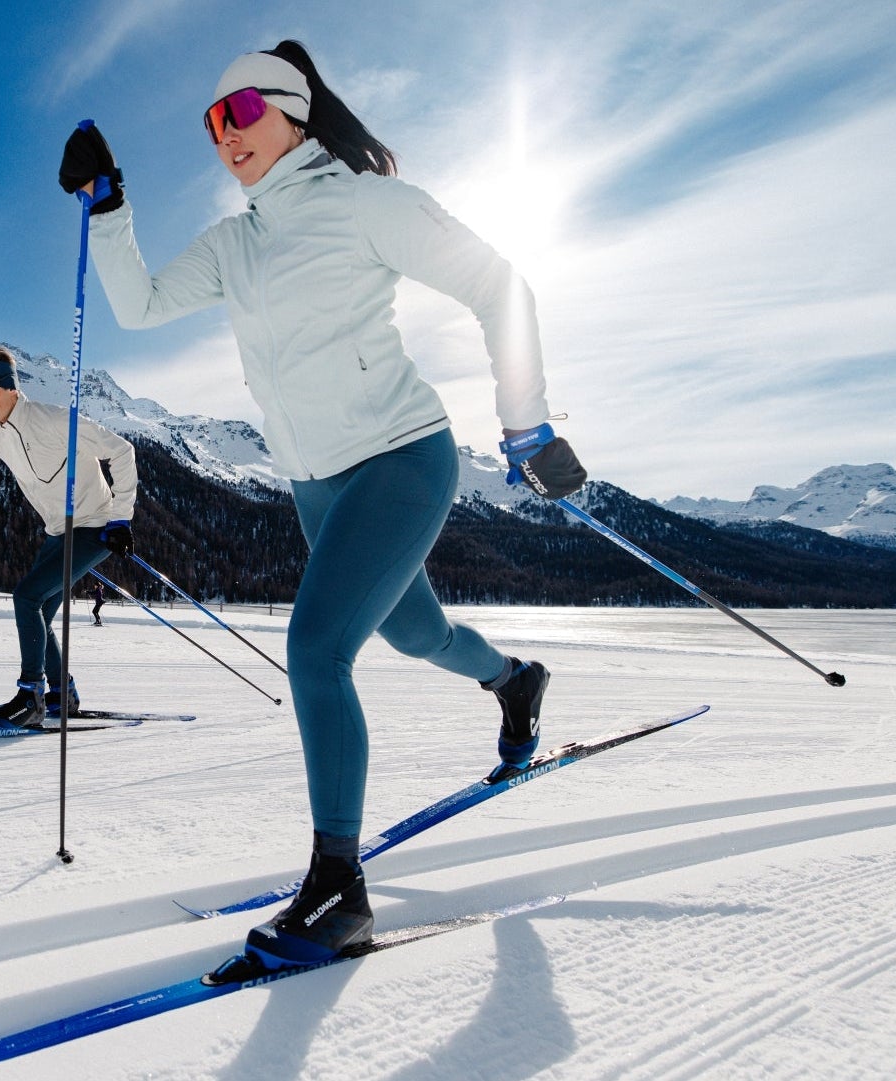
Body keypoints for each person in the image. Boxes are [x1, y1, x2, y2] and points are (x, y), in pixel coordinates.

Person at [59, 41, 588, 980]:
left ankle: (338, 886)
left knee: (314, 649)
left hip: (401, 461)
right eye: (212, 125)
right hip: (318, 485)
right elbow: (137, 306)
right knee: (415, 632)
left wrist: (526, 423)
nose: (227, 138)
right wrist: (110, 209)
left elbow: (498, 282)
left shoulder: (360, 203)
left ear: (293, 112)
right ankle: (513, 680)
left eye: (243, 116)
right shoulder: (237, 244)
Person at [0, 346, 138, 728]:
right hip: (58, 533)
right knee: (39, 609)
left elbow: (122, 452)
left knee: (26, 597)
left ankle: (31, 697)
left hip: (95, 526)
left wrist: (121, 519)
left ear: (8, 387)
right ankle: (62, 694)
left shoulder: (58, 421)